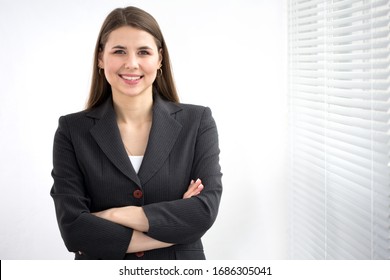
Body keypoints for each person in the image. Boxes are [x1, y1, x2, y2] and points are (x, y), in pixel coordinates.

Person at [50, 6, 222, 260]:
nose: (131, 63)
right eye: (119, 51)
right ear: (100, 58)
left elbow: (203, 212)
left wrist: (113, 215)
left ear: (159, 58)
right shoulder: (72, 131)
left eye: (144, 52)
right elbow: (74, 231)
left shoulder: (197, 122)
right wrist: (176, 226)